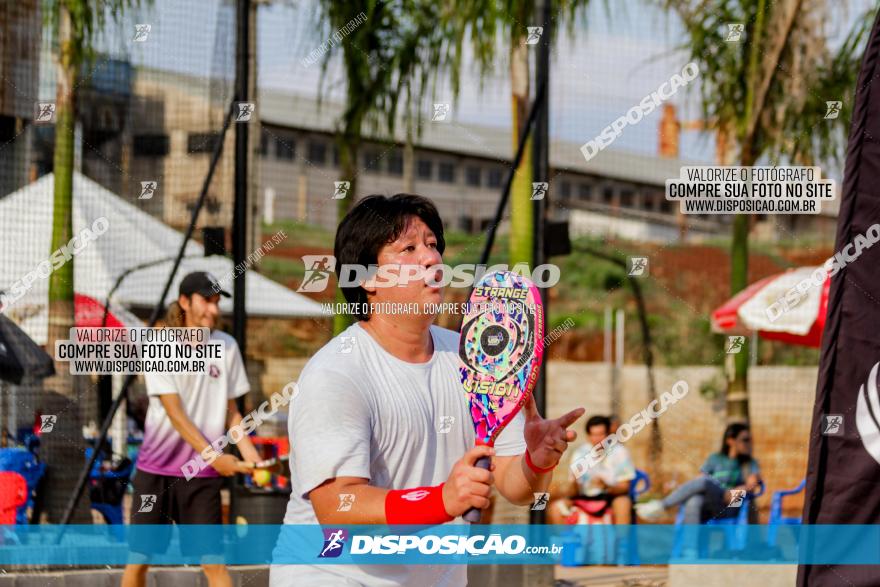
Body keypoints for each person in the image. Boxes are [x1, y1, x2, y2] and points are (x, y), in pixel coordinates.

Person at [269, 194, 585, 586]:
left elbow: (514, 487)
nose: (431, 259)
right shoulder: (337, 373)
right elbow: (336, 506)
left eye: (433, 245)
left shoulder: (474, 359)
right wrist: (441, 500)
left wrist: (537, 462)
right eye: (409, 248)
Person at [122, 271, 263, 587]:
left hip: (201, 478)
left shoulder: (227, 347)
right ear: (184, 302)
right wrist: (216, 458)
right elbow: (176, 415)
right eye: (206, 301)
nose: (213, 310)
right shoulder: (160, 345)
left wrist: (252, 459)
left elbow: (232, 413)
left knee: (214, 566)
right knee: (139, 561)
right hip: (156, 471)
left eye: (216, 302)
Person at [635, 423, 761, 523]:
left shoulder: (749, 463)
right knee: (694, 500)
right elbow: (700, 479)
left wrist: (734, 492)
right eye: (745, 439)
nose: (749, 443)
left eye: (750, 439)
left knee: (704, 482)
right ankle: (691, 551)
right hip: (712, 502)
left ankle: (662, 506)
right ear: (730, 441)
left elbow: (752, 485)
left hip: (733, 503)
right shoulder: (715, 459)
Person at [547, 415, 636, 525]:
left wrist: (606, 486)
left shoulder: (620, 452)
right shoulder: (579, 453)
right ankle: (565, 540)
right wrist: (575, 482)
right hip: (584, 498)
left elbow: (625, 487)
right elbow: (574, 491)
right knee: (556, 508)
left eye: (601, 434)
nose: (597, 439)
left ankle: (622, 541)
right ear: (588, 436)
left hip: (610, 497)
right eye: (594, 435)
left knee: (623, 503)